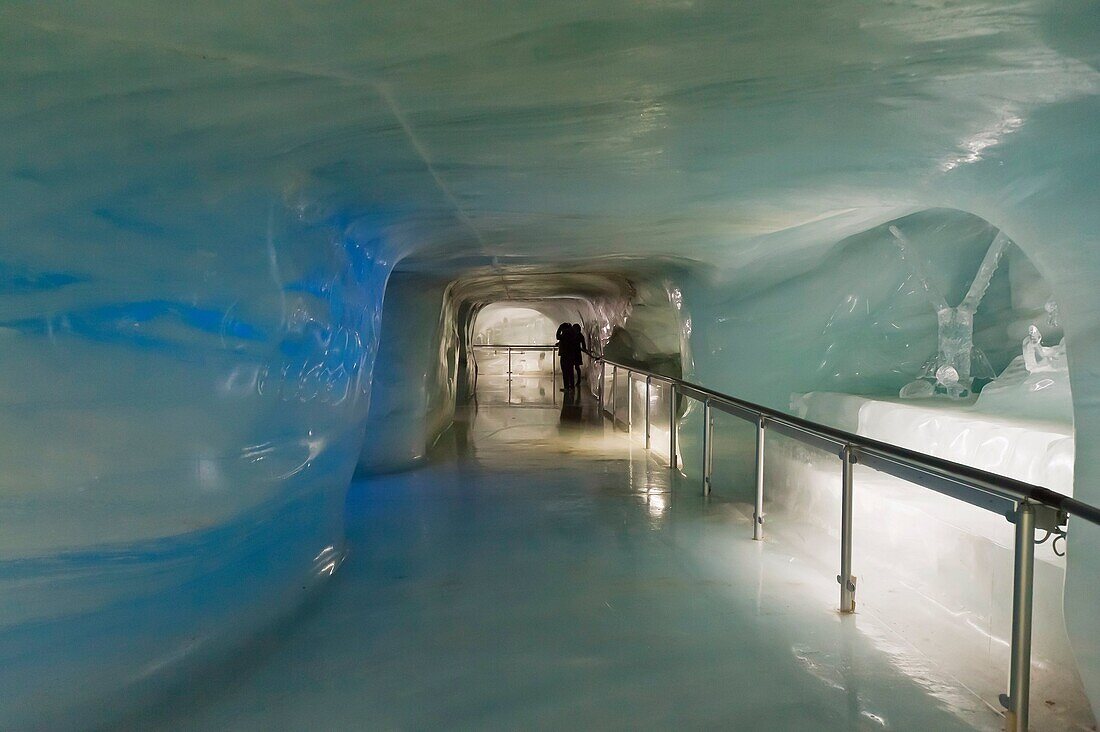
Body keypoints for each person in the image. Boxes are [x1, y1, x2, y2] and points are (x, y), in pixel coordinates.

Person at [557, 323, 576, 390]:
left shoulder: (565, 334)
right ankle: (572, 386)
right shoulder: (572, 334)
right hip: (571, 355)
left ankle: (566, 387)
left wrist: (559, 328)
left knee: (565, 372)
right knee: (570, 371)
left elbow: (558, 336)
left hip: (564, 355)